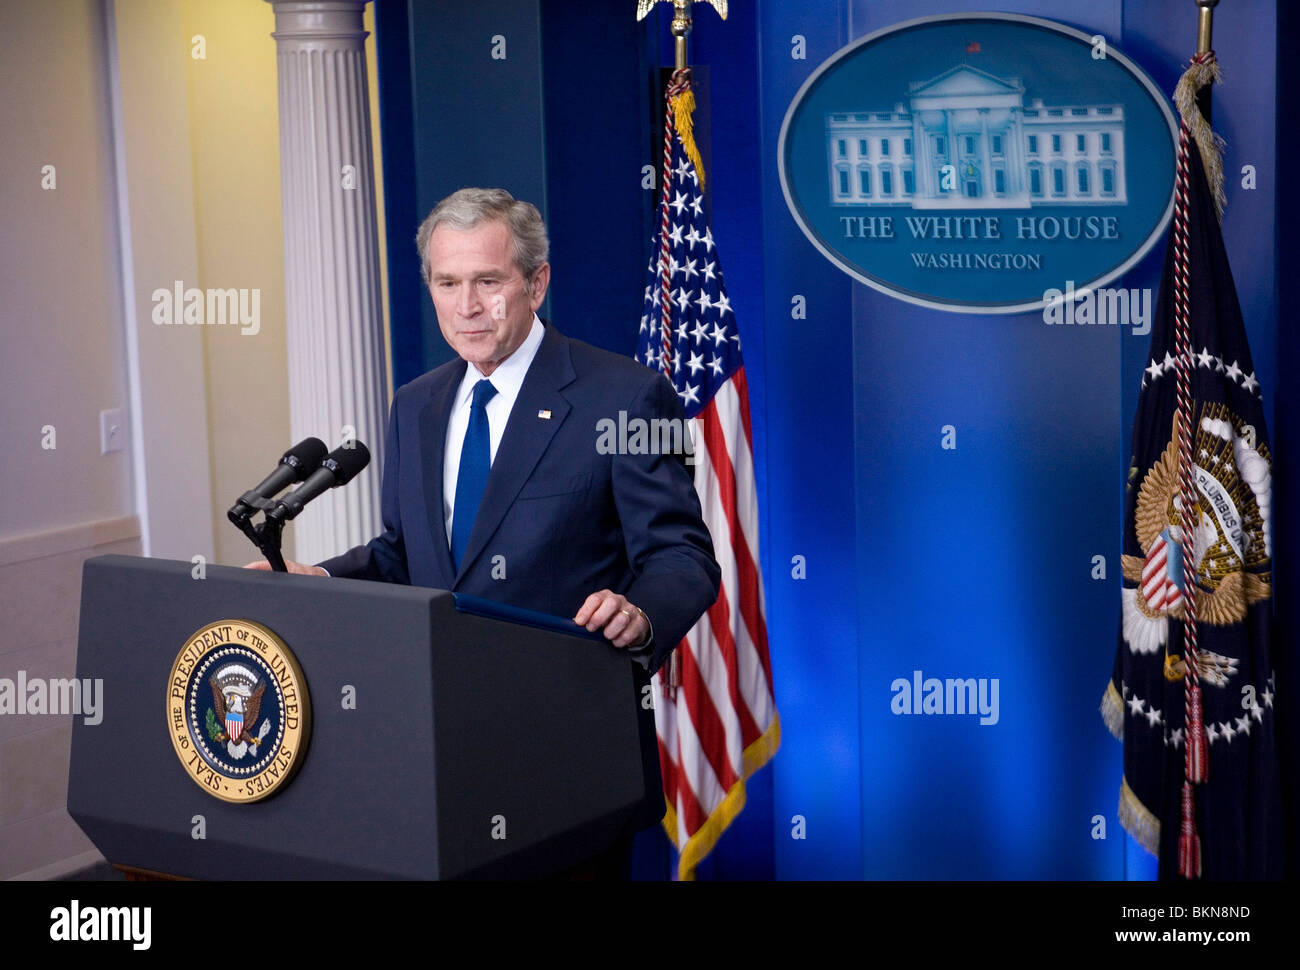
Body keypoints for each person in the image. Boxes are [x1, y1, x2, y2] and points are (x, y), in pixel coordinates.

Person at [247, 187, 720, 872]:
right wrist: (316, 578)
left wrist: (640, 613)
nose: (466, 306)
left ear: (536, 281)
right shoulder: (415, 405)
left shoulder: (625, 396)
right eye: (447, 283)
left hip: (568, 771)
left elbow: (683, 558)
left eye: (488, 282)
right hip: (439, 759)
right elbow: (405, 554)